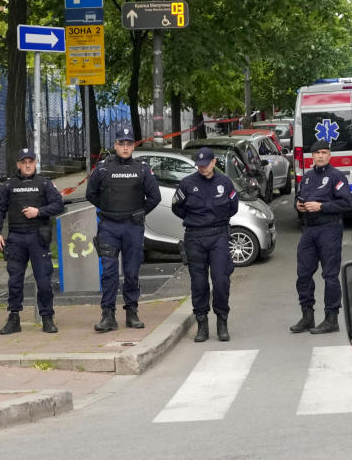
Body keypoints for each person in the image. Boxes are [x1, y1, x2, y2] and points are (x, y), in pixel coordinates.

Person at [85, 124, 161, 332]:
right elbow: (90, 194)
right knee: (109, 272)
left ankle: (132, 312)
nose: (125, 147)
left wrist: (142, 211)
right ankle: (108, 315)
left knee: (131, 271)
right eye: (121, 143)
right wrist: (108, 207)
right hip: (109, 226)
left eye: (129, 144)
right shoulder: (102, 168)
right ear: (115, 145)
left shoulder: (142, 169)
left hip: (132, 227)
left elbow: (155, 197)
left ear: (133, 146)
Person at [0, 148, 65, 335]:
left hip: (37, 237)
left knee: (44, 281)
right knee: (15, 280)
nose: (28, 165)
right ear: (18, 164)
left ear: (35, 163)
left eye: (31, 161)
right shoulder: (9, 185)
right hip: (16, 238)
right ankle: (14, 318)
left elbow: (58, 205)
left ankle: (47, 318)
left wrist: (38, 212)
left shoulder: (45, 184)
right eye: (24, 162)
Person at [172, 147, 239, 342]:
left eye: (206, 164)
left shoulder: (225, 183)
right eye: (199, 165)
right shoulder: (187, 184)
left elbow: (233, 206)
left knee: (221, 280)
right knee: (199, 283)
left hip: (218, 235)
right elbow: (178, 207)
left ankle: (222, 321)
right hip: (195, 237)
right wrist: (195, 220)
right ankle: (202, 323)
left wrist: (217, 220)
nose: (203, 168)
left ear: (213, 162)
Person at [290, 140, 352, 334]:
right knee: (304, 273)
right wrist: (298, 206)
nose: (321, 156)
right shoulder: (307, 177)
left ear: (329, 155)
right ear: (312, 156)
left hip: (329, 228)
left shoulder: (336, 176)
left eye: (324, 152)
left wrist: (322, 206)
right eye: (317, 153)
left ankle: (331, 318)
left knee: (330, 275)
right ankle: (307, 316)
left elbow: (347, 203)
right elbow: (299, 198)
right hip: (309, 229)